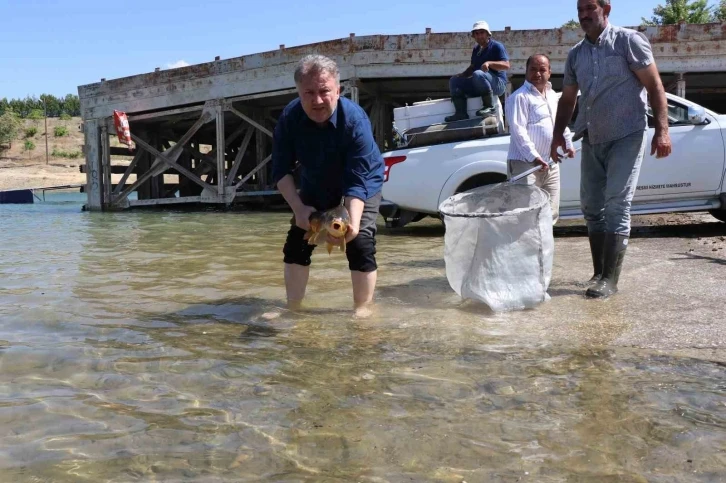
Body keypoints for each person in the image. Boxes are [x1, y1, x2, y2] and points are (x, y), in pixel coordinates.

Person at [551, 0, 671, 299]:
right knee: (592, 207)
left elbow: (654, 85)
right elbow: (567, 100)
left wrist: (663, 130)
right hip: (592, 137)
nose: (583, 15)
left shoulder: (628, 41)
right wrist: (557, 136)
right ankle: (598, 271)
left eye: (589, 7)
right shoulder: (576, 54)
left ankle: (610, 280)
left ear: (606, 8)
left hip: (626, 134)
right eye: (579, 10)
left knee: (617, 204)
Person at [271, 54, 385, 316]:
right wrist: (299, 209)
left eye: (324, 91)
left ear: (338, 90)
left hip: (363, 180)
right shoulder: (289, 118)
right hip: (316, 178)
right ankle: (293, 308)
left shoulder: (355, 121)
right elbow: (280, 170)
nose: (318, 100)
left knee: (360, 243)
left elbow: (357, 182)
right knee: (298, 242)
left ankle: (363, 309)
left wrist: (352, 222)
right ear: (298, 92)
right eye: (309, 92)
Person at [506, 54, 575, 225]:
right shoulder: (519, 97)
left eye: (542, 70)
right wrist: (534, 156)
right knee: (526, 215)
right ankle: (525, 252)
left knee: (550, 214)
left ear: (550, 72)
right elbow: (518, 131)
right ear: (526, 72)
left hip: (550, 164)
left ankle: (545, 251)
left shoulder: (552, 95)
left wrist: (568, 143)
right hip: (526, 164)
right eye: (533, 70)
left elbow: (559, 123)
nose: (537, 74)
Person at [445, 21, 510, 122]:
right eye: (476, 33)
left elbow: (506, 65)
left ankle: (489, 107)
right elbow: (472, 67)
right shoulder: (476, 49)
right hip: (481, 83)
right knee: (454, 80)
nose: (479, 36)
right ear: (474, 36)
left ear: (488, 34)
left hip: (498, 84)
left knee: (478, 73)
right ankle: (461, 113)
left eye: (482, 33)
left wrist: (489, 63)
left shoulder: (497, 46)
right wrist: (462, 75)